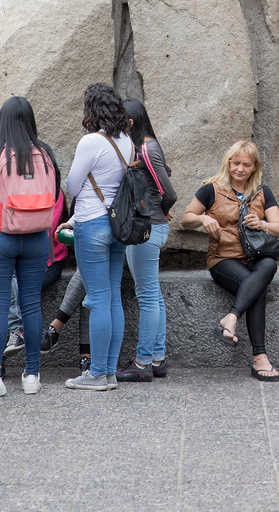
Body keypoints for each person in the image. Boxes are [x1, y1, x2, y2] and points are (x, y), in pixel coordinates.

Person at [0, 97, 60, 397]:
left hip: (1, 234)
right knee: (32, 304)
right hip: (37, 237)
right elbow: (55, 191)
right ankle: (32, 375)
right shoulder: (45, 153)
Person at [181, 140, 279, 381]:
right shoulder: (211, 189)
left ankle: (231, 318)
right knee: (256, 287)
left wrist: (262, 224)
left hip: (254, 257)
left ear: (254, 167)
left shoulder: (262, 192)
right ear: (228, 163)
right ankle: (260, 357)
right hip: (223, 258)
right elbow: (186, 218)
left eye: (246, 164)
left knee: (269, 265)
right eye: (235, 163)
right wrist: (203, 220)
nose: (240, 168)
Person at [64, 83, 132, 391]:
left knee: (99, 298)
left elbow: (73, 186)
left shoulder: (91, 141)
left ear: (91, 109)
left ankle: (97, 373)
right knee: (113, 296)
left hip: (91, 223)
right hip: (118, 226)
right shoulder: (127, 141)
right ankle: (110, 373)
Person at [116, 98, 177, 382]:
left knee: (148, 297)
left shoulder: (146, 148)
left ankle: (142, 364)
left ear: (130, 122)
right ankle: (157, 359)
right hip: (151, 228)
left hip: (147, 230)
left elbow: (170, 193)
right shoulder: (141, 147)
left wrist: (159, 214)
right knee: (154, 296)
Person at [3, 190, 70, 360]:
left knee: (14, 288)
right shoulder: (18, 187)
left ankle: (15, 335)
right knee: (4, 285)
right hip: (20, 261)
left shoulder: (53, 191)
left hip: (48, 262)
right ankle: (0, 359)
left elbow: (47, 226)